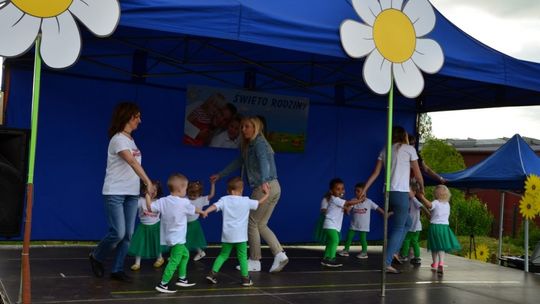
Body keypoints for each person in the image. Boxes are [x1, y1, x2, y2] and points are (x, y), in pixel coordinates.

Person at [210, 116, 288, 273]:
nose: (243, 129)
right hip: (275, 186)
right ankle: (279, 254)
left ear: (256, 128)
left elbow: (264, 161)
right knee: (261, 224)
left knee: (251, 222)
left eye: (247, 127)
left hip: (265, 186)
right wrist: (221, 174)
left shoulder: (258, 143)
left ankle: (254, 260)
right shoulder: (250, 146)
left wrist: (264, 181)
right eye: (242, 127)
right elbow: (239, 161)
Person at [89, 102, 156, 282]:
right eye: (137, 117)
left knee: (127, 235)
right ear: (128, 117)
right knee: (118, 233)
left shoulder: (131, 140)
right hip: (115, 192)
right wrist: (148, 181)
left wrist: (142, 186)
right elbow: (133, 163)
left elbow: (135, 167)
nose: (140, 121)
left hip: (131, 193)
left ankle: (117, 269)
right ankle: (96, 256)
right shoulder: (118, 139)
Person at [361, 126, 425, 274]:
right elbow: (418, 173)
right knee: (398, 227)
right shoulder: (409, 149)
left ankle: (393, 251)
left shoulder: (386, 149)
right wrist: (421, 187)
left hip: (388, 193)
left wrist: (365, 189)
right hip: (401, 193)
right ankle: (387, 261)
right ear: (404, 136)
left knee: (407, 222)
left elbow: (376, 173)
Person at [203, 177, 270, 286]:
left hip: (227, 235)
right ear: (239, 190)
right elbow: (259, 203)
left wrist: (206, 211)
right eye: (241, 190)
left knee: (223, 255)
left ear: (229, 190)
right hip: (240, 237)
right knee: (242, 257)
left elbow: (215, 206)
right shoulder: (246, 201)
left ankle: (212, 274)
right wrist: (266, 194)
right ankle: (245, 279)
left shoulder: (224, 199)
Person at [146, 173, 203, 293]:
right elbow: (194, 210)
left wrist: (147, 195)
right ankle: (163, 284)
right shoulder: (184, 203)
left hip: (169, 237)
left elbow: (150, 207)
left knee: (185, 255)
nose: (186, 191)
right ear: (180, 189)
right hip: (178, 238)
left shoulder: (163, 201)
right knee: (174, 261)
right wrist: (203, 212)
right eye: (186, 188)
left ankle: (182, 279)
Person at [417, 185, 461, 275]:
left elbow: (429, 205)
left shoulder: (436, 202)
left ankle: (435, 264)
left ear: (436, 194)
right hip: (445, 228)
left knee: (434, 246)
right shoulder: (447, 204)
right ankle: (441, 263)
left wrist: (422, 197)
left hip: (435, 227)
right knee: (441, 247)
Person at [321, 178, 362, 268]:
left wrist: (347, 209)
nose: (341, 191)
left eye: (342, 188)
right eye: (338, 189)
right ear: (331, 191)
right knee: (335, 240)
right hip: (330, 224)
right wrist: (359, 200)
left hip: (333, 226)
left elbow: (346, 209)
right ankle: (331, 259)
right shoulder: (335, 199)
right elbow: (348, 203)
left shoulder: (338, 201)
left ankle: (326, 258)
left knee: (331, 242)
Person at [338, 182, 385, 259]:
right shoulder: (354, 200)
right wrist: (347, 210)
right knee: (349, 237)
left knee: (363, 239)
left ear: (364, 192)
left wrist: (384, 213)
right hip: (354, 224)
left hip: (363, 226)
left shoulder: (369, 202)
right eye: (355, 191)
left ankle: (364, 252)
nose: (356, 192)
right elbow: (349, 208)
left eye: (358, 191)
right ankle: (346, 250)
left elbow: (378, 208)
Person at [128, 181, 165, 271]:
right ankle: (137, 263)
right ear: (144, 191)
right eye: (150, 190)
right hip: (143, 227)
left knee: (157, 243)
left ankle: (160, 258)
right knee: (139, 244)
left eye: (155, 190)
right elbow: (132, 205)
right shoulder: (141, 201)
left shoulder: (159, 202)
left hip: (156, 227)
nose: (152, 192)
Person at [185, 180, 215, 261]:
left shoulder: (202, 199)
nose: (192, 197)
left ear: (199, 194)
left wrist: (212, 183)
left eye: (194, 195)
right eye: (190, 194)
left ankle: (179, 256)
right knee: (189, 239)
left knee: (189, 239)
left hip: (193, 224)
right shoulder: (185, 199)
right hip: (184, 223)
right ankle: (200, 252)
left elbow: (212, 195)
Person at [399, 181, 426, 265]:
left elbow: (421, 205)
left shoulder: (414, 200)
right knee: (414, 242)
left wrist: (428, 213)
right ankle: (417, 257)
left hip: (413, 226)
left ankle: (404, 256)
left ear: (414, 192)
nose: (406, 193)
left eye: (408, 191)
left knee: (406, 240)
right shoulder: (409, 200)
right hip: (416, 227)